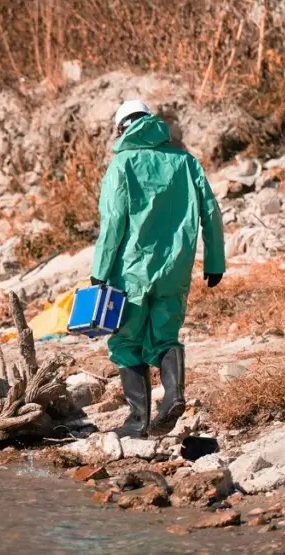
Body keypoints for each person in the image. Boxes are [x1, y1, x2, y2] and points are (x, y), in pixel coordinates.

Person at [90, 99, 226, 439]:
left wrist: (100, 271)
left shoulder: (121, 165)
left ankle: (137, 423)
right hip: (175, 269)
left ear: (121, 129)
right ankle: (173, 399)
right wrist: (215, 262)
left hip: (130, 271)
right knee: (165, 336)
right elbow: (210, 213)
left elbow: (113, 224)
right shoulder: (186, 162)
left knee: (125, 342)